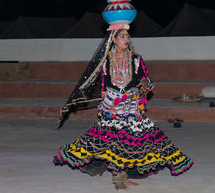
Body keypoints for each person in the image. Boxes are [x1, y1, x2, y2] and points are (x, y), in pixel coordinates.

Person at [53, 29, 193, 191]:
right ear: (114, 40)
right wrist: (106, 103)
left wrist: (146, 84)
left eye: (127, 36)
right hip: (113, 104)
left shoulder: (136, 59)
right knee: (115, 141)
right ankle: (118, 179)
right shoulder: (106, 60)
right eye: (122, 36)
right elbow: (104, 84)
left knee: (131, 141)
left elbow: (145, 78)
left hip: (132, 103)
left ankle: (123, 177)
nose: (126, 39)